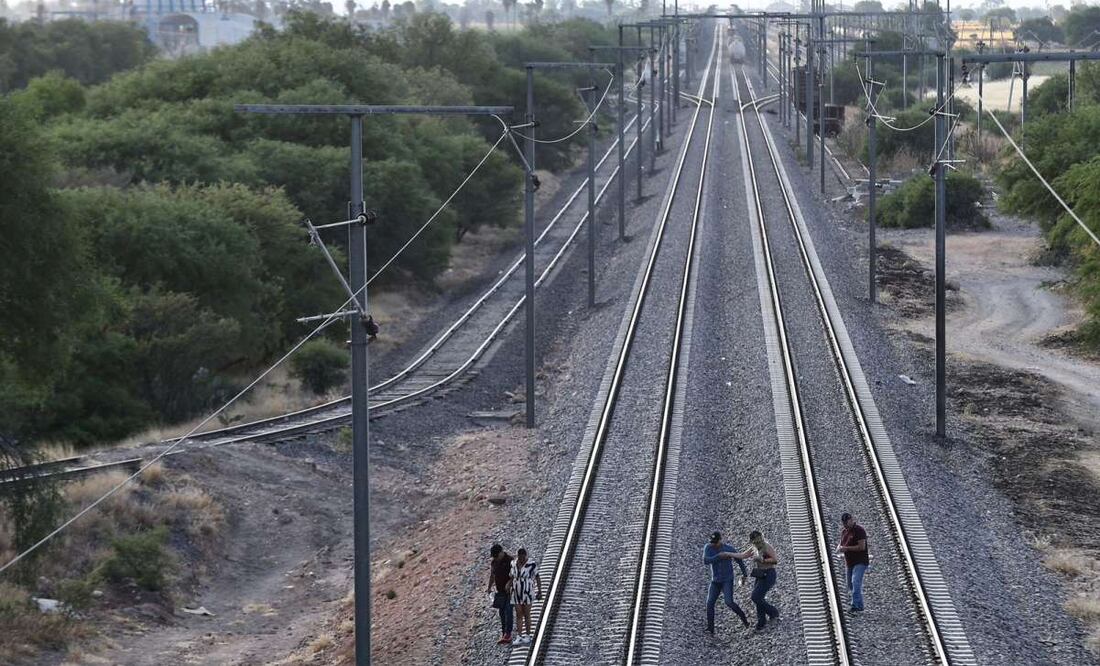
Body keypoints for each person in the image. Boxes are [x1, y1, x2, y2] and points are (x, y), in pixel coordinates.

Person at [703, 531, 750, 634]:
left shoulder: (729, 549)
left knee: (729, 602)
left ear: (721, 539)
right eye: (712, 542)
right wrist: (718, 557)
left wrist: (744, 574)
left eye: (716, 542)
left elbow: (739, 561)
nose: (714, 544)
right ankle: (711, 628)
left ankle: (744, 619)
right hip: (715, 580)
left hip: (727, 580)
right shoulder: (708, 547)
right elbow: (706, 560)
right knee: (709, 603)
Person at [733, 530, 780, 631]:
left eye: (759, 541)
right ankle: (761, 621)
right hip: (760, 575)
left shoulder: (767, 547)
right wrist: (729, 554)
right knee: (759, 597)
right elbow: (743, 555)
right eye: (755, 542)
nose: (758, 543)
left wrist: (762, 560)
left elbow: (775, 560)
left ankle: (773, 612)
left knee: (756, 597)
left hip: (769, 574)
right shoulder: (754, 547)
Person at [836, 512, 869, 612]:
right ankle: (860, 605)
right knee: (850, 584)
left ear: (851, 520)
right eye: (844, 523)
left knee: (855, 582)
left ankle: (855, 605)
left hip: (860, 561)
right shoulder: (844, 532)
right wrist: (840, 548)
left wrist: (846, 548)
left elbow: (861, 547)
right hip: (849, 562)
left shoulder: (859, 530)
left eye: (847, 522)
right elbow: (842, 545)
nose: (846, 524)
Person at [511, 548, 543, 645]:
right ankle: (519, 636)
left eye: (523, 557)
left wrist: (539, 590)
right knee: (519, 614)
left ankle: (528, 635)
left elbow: (537, 577)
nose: (521, 559)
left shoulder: (531, 564)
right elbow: (512, 576)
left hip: (527, 591)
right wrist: (509, 586)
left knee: (527, 614)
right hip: (516, 591)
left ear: (525, 556)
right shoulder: (513, 563)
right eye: (519, 557)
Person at [486, 544, 514, 645]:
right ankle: (504, 633)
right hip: (500, 592)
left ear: (501, 553)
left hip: (511, 591)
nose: (495, 558)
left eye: (496, 556)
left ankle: (508, 634)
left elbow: (516, 575)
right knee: (502, 613)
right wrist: (489, 587)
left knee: (509, 611)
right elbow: (492, 575)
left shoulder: (510, 560)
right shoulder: (494, 563)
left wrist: (509, 583)